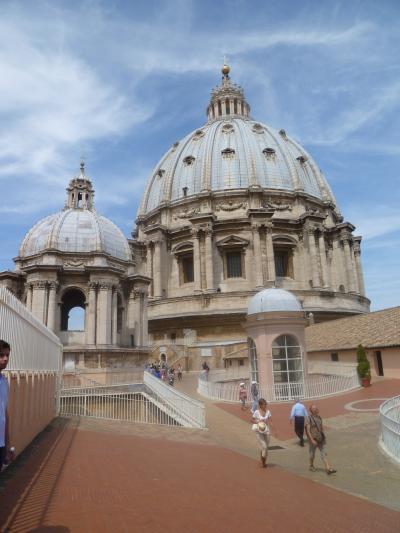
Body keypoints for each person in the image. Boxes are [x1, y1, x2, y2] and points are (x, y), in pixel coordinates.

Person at [305, 404, 337, 475]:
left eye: (316, 408)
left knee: (323, 453)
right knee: (312, 454)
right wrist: (311, 440)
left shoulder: (319, 417)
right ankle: (311, 465)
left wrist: (323, 437)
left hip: (320, 438)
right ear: (311, 411)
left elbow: (321, 428)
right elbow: (308, 430)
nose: (316, 409)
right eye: (314, 408)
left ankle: (328, 469)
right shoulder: (309, 418)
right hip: (313, 439)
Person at [0, 340, 15, 472]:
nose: (5, 358)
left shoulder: (4, 382)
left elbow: (4, 414)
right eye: (1, 355)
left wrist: (7, 444)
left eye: (7, 355)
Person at [252, 398, 273, 468]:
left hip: (266, 431)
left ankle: (263, 460)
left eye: (266, 404)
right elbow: (252, 420)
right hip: (259, 431)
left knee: (266, 448)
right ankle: (263, 463)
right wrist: (258, 421)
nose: (265, 405)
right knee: (264, 446)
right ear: (260, 405)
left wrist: (274, 430)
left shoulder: (268, 412)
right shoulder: (256, 412)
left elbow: (271, 421)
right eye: (264, 404)